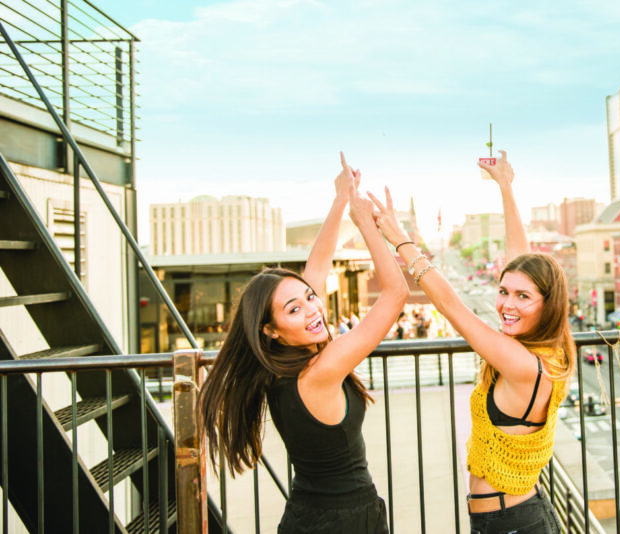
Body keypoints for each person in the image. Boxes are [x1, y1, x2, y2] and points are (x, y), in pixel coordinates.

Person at [198, 154, 408, 534]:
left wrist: (341, 199)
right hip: (344, 522)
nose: (314, 309)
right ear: (271, 330)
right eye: (295, 309)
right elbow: (395, 293)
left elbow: (317, 268)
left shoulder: (283, 366)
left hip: (311, 515)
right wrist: (367, 225)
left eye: (311, 298)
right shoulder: (320, 371)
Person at [370, 150, 574, 532]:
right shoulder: (543, 348)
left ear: (548, 303)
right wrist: (506, 188)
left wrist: (400, 239)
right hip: (511, 516)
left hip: (510, 523)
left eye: (522, 297)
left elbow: (451, 305)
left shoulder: (525, 364)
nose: (507, 305)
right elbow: (520, 259)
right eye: (503, 291)